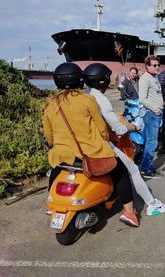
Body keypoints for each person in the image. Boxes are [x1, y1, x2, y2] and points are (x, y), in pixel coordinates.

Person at [44, 63, 139, 227]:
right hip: (91, 153)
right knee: (121, 172)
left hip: (62, 155)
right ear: (80, 81)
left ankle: (52, 205)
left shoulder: (51, 104)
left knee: (56, 171)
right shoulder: (87, 99)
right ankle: (129, 212)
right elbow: (102, 129)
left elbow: (49, 135)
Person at [83, 63, 165, 216]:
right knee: (133, 169)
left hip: (83, 143)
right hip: (101, 143)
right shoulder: (101, 100)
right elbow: (120, 129)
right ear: (103, 80)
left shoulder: (85, 94)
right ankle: (152, 204)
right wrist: (135, 127)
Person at [139, 55, 164, 178]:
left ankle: (145, 167)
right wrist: (156, 109)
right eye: (154, 65)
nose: (157, 67)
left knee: (150, 141)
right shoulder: (145, 78)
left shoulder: (154, 77)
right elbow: (142, 98)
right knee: (152, 142)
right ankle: (147, 169)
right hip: (152, 114)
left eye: (158, 65)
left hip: (156, 113)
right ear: (147, 66)